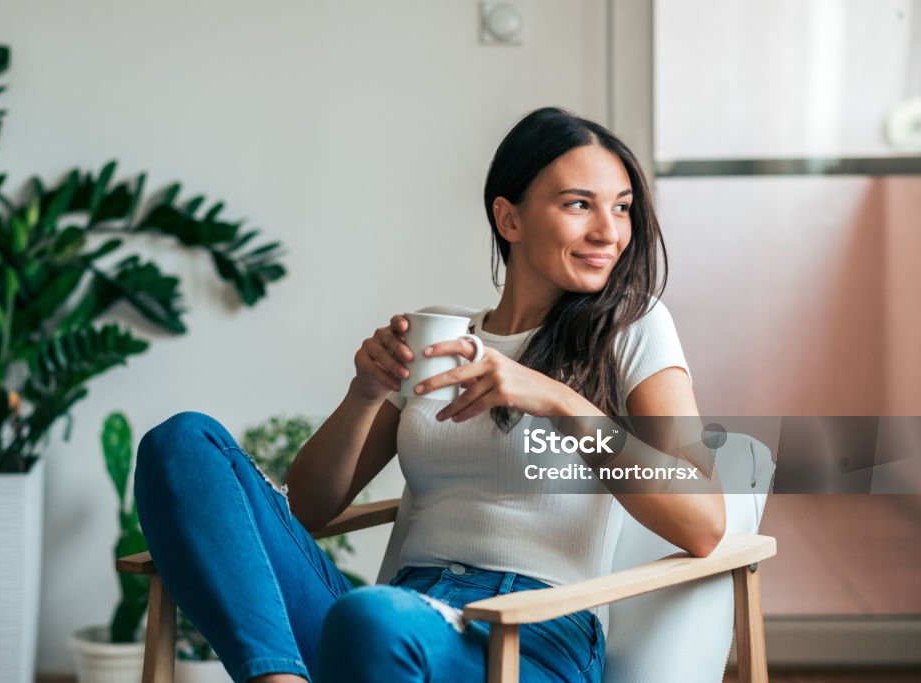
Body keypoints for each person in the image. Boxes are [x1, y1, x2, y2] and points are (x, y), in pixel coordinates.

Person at [134, 107, 725, 683]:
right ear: (509, 218)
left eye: (621, 208)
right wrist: (364, 394)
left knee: (372, 617)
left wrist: (560, 401)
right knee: (182, 442)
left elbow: (703, 523)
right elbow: (308, 512)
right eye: (579, 205)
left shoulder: (632, 327)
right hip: (397, 619)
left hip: (532, 632)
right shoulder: (441, 333)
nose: (609, 232)